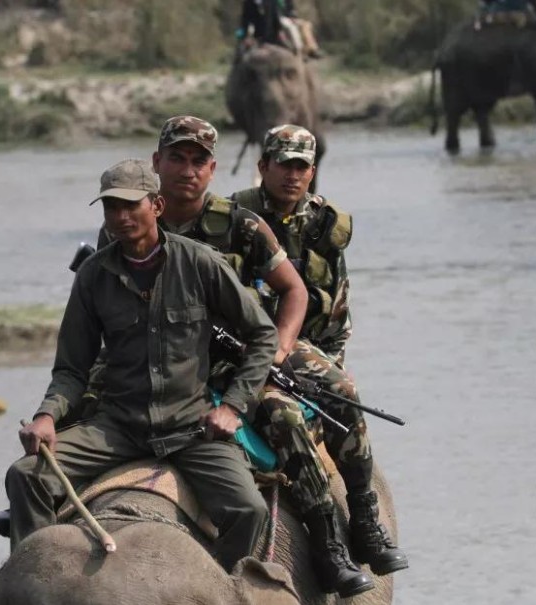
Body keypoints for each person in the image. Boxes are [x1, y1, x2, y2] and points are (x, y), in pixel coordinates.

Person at [99, 115, 374, 597]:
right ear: (156, 162)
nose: (187, 169)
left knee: (288, 413)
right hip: (149, 355)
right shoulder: (131, 220)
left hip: (232, 356)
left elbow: (296, 293)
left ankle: (336, 536)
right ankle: (40, 502)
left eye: (198, 161)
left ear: (212, 168)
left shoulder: (242, 223)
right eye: (177, 158)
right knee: (76, 399)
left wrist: (277, 352)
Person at [5, 158, 277, 573]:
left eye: (131, 205)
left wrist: (233, 407)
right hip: (119, 425)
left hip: (190, 426)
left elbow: (263, 335)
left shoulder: (199, 263)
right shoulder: (93, 276)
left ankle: (221, 586)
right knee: (26, 475)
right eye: (112, 207)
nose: (121, 216)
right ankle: (36, 578)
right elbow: (71, 370)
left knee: (249, 509)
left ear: (157, 207)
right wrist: (46, 417)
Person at [230, 124, 409, 576]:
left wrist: (326, 369)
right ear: (263, 166)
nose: (292, 175)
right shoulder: (233, 216)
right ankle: (324, 534)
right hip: (243, 343)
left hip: (303, 345)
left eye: (301, 166)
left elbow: (337, 309)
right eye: (283, 164)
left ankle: (365, 517)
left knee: (343, 392)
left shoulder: (326, 224)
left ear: (311, 172)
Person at [236, 0, 323, 59]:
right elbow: (244, 21)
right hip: (259, 30)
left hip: (282, 20)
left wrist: (292, 16)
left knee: (303, 25)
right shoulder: (249, 2)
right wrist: (241, 36)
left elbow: (288, 9)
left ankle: (304, 50)